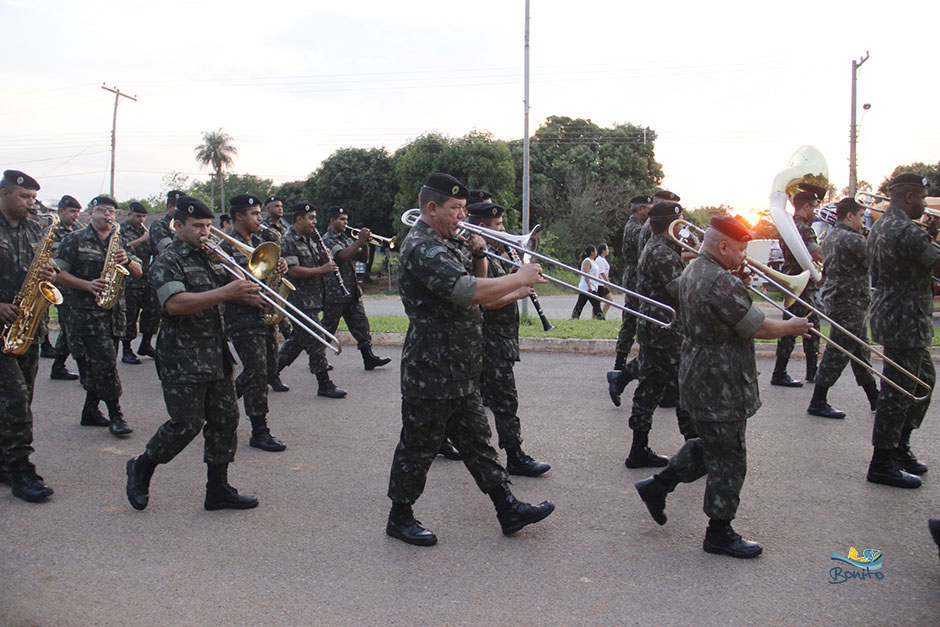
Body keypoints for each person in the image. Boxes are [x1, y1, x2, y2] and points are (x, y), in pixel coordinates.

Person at [385, 172, 554, 547]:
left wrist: (480, 255)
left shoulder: (447, 243)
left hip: (461, 366)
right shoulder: (422, 247)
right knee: (417, 446)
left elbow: (482, 293)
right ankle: (400, 516)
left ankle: (507, 507)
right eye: (456, 209)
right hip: (431, 368)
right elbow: (466, 290)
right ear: (431, 208)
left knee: (479, 443)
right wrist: (518, 277)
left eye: (464, 208)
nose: (463, 216)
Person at [634, 215, 812, 558]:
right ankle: (719, 532)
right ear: (723, 245)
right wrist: (793, 326)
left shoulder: (692, 271)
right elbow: (754, 327)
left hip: (699, 374)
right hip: (720, 381)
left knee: (713, 445)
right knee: (730, 457)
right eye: (741, 250)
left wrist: (737, 280)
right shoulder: (719, 281)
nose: (745, 256)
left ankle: (659, 485)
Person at [125, 196, 261, 511]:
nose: (205, 233)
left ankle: (218, 489)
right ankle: (142, 466)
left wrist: (257, 288)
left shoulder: (213, 255)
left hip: (216, 352)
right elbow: (175, 304)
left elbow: (238, 287)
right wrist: (227, 292)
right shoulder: (166, 259)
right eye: (197, 226)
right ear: (179, 226)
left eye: (208, 226)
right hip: (182, 356)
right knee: (186, 423)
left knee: (226, 420)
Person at [467, 201, 550, 477]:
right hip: (490, 338)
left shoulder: (496, 254)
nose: (504, 229)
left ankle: (449, 442)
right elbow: (487, 301)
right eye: (498, 226)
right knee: (504, 401)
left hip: (500, 336)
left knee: (474, 399)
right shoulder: (479, 258)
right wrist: (520, 289)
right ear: (481, 228)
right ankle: (514, 456)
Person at [865, 173, 937, 489]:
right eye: (922, 197)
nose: (925, 203)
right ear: (909, 197)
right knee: (898, 391)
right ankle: (882, 461)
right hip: (904, 320)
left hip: (898, 315)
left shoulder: (883, 225)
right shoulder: (905, 230)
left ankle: (899, 447)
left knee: (923, 382)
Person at [55, 195, 141, 437]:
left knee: (103, 364)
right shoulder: (75, 239)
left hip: (114, 313)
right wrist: (86, 285)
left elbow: (138, 271)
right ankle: (116, 414)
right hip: (86, 315)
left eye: (112, 211)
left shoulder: (119, 239)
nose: (107, 215)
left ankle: (90, 411)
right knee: (104, 365)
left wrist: (128, 261)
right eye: (102, 210)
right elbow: (57, 273)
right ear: (91, 212)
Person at [624, 202, 698, 468]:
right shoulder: (661, 252)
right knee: (684, 388)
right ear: (670, 225)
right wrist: (703, 268)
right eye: (679, 223)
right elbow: (679, 289)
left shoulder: (661, 248)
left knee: (650, 388)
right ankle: (695, 451)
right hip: (667, 332)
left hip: (656, 329)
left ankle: (638, 449)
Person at [0, 169, 57, 502]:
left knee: (20, 398)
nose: (31, 204)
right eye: (25, 197)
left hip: (28, 326)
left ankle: (4, 459)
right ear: (4, 194)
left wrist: (52, 273)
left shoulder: (36, 227)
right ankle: (22, 470)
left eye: (34, 198)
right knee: (16, 400)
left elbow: (50, 267)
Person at [220, 194, 288, 452]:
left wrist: (280, 267)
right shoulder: (225, 245)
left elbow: (269, 273)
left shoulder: (262, 241)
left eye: (260, 213)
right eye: (255, 214)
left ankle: (224, 402)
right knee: (257, 371)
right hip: (242, 317)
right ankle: (259, 430)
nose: (261, 218)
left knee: (269, 369)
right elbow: (222, 280)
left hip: (265, 313)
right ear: (239, 216)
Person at [807, 197, 879, 419]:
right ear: (850, 215)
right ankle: (818, 400)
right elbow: (876, 262)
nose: (862, 221)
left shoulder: (830, 237)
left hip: (842, 300)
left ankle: (874, 397)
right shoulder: (852, 239)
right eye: (860, 216)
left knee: (859, 351)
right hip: (850, 302)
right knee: (838, 352)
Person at [275, 201, 346, 398]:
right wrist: (322, 269)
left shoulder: (310, 239)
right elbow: (294, 270)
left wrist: (324, 259)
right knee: (316, 340)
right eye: (311, 218)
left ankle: (271, 372)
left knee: (297, 342)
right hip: (299, 300)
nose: (315, 222)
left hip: (313, 299)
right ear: (299, 219)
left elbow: (315, 265)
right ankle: (324, 383)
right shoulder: (289, 241)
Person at [321, 206, 391, 371]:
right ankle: (317, 358)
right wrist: (359, 240)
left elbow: (363, 258)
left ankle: (369, 358)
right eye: (342, 219)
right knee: (328, 328)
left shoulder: (345, 238)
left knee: (361, 325)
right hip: (335, 292)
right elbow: (342, 256)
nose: (345, 222)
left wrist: (366, 243)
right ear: (332, 220)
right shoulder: (328, 239)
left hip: (351, 290)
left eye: (346, 219)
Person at [771, 187, 824, 387]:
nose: (816, 212)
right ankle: (803, 372)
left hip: (793, 280)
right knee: (808, 326)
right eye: (814, 207)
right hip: (801, 283)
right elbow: (817, 255)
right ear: (806, 206)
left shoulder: (789, 225)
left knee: (794, 325)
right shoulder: (804, 227)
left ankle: (785, 371)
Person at [608, 195, 652, 402]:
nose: (650, 212)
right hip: (636, 276)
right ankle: (620, 368)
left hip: (636, 275)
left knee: (632, 321)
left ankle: (621, 367)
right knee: (634, 321)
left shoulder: (639, 225)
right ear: (641, 209)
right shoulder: (635, 228)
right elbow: (644, 252)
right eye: (649, 209)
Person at [48, 194, 82, 381]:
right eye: (72, 212)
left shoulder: (79, 231)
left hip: (76, 287)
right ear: (61, 211)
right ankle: (85, 371)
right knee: (72, 329)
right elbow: (56, 259)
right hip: (63, 287)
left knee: (68, 330)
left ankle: (58, 366)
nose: (76, 216)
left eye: (78, 212)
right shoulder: (53, 231)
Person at [120, 201, 158, 364]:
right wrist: (142, 239)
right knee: (130, 314)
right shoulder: (121, 230)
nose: (141, 219)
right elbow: (123, 249)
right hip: (130, 280)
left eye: (143, 216)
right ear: (129, 215)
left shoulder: (146, 231)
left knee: (153, 311)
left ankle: (146, 344)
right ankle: (127, 350)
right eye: (137, 216)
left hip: (147, 278)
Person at [570, 245, 603, 319]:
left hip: (593, 286)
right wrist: (589, 286)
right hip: (587, 287)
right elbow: (586, 274)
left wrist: (601, 280)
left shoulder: (594, 261)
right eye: (595, 251)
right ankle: (601, 318)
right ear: (592, 252)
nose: (596, 252)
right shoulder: (587, 261)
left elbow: (595, 274)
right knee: (596, 303)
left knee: (580, 304)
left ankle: (574, 317)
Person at [149, 190, 182, 255]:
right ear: (170, 207)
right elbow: (166, 249)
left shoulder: (186, 224)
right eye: (180, 208)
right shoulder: (159, 225)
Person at [595, 243, 612, 317]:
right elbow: (602, 272)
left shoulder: (603, 259)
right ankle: (595, 317)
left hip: (603, 284)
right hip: (600, 284)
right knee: (597, 302)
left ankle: (602, 315)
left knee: (609, 300)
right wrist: (607, 282)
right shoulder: (600, 260)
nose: (608, 250)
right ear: (603, 251)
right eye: (607, 249)